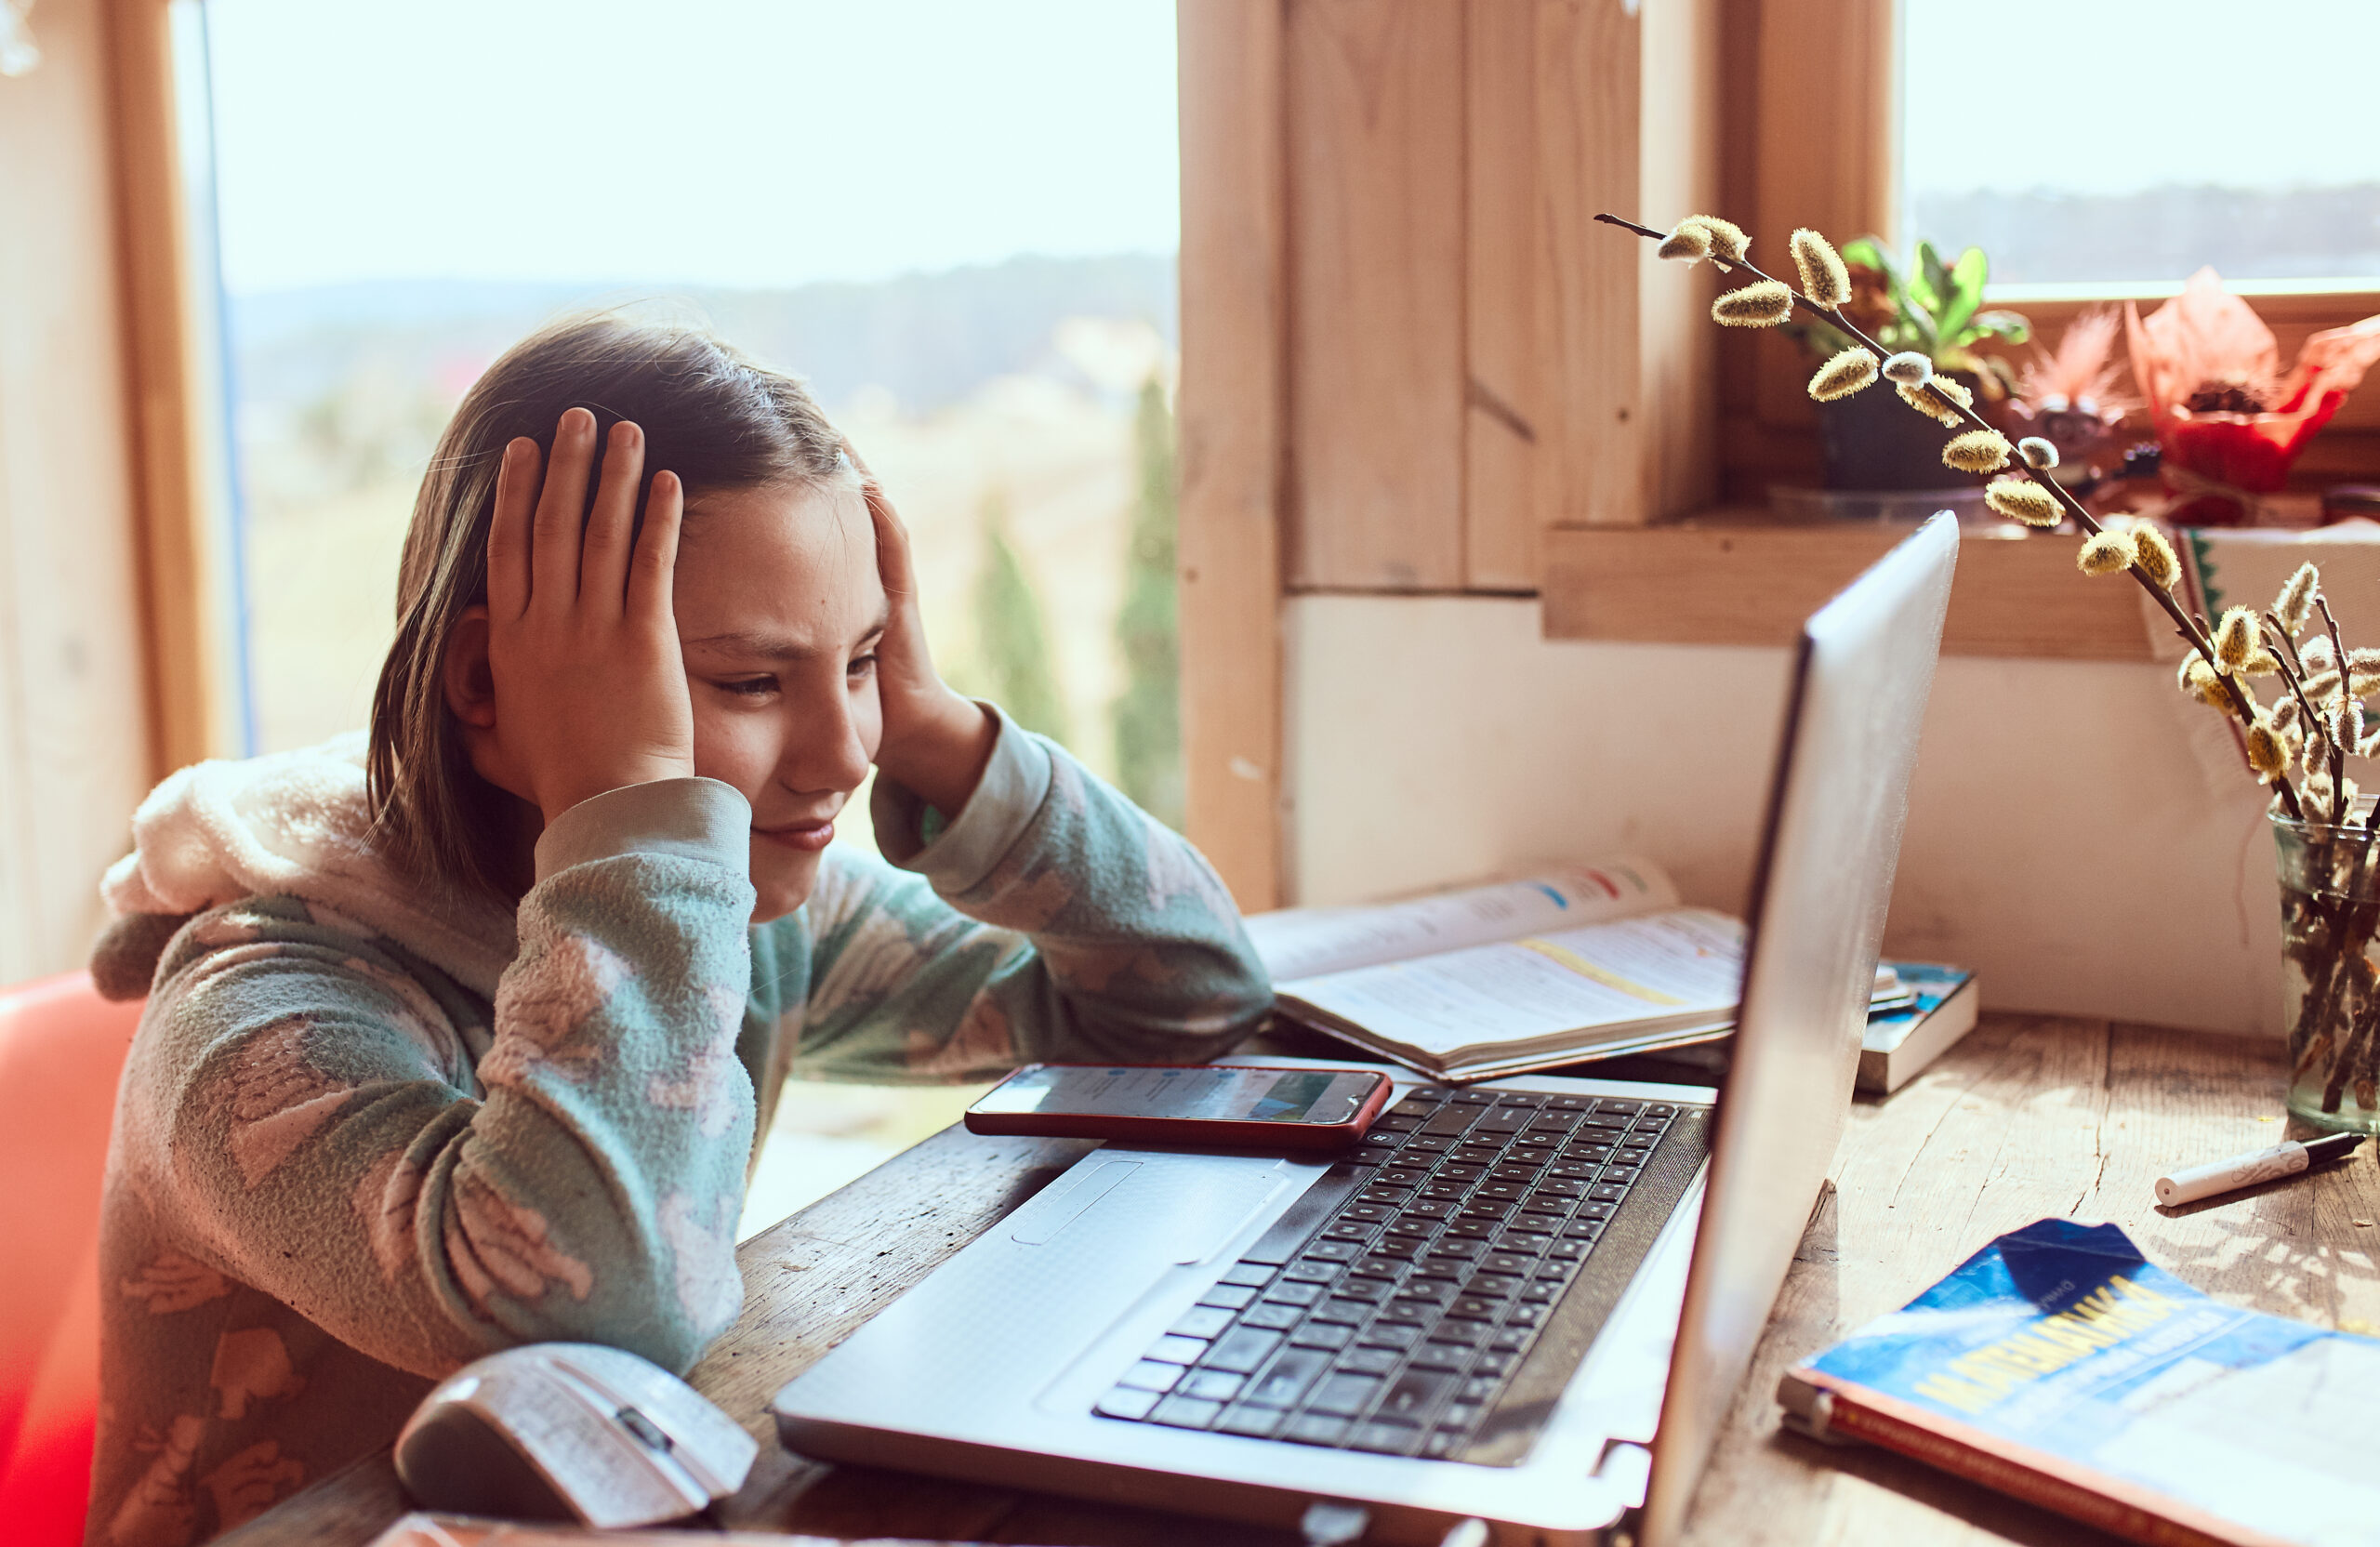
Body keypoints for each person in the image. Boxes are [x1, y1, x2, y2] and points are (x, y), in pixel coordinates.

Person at [82, 315, 1271, 1547]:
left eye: (861, 663)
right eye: (752, 682)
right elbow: (595, 1327)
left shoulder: (738, 917)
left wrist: (936, 729)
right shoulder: (256, 1022)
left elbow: (1179, 997)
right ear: (486, 685)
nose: (845, 754)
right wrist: (638, 821)